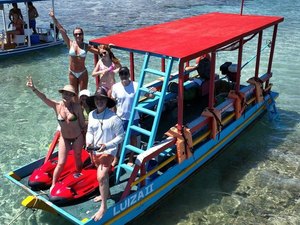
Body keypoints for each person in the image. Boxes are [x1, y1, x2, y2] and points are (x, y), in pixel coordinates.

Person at [26, 76, 86, 192]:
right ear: (62, 94)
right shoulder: (57, 106)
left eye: (69, 94)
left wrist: (87, 137)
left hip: (78, 137)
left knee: (78, 158)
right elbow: (44, 98)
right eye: (65, 93)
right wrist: (34, 88)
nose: (67, 96)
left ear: (73, 96)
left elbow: (82, 124)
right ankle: (53, 184)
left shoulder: (77, 107)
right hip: (65, 138)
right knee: (61, 162)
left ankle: (77, 178)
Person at [86, 87, 124, 221]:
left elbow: (121, 137)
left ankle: (103, 207)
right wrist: (89, 143)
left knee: (101, 176)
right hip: (95, 151)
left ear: (106, 101)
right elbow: (90, 131)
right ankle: (106, 194)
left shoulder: (114, 118)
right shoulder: (91, 115)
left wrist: (106, 146)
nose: (99, 101)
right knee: (102, 175)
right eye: (97, 99)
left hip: (108, 151)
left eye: (102, 99)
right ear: (94, 100)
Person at [111, 66, 156, 166]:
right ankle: (116, 158)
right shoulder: (115, 87)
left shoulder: (136, 85)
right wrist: (113, 116)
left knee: (133, 138)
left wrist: (152, 92)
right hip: (120, 118)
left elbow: (149, 96)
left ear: (129, 74)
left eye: (125, 73)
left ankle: (131, 158)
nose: (124, 76)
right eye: (121, 74)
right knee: (117, 139)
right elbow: (113, 102)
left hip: (133, 118)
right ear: (119, 76)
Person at [49, 9, 98, 94]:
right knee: (73, 95)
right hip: (72, 72)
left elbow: (99, 52)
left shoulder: (86, 46)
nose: (78, 35)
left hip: (83, 73)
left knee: (83, 95)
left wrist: (108, 47)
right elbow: (61, 30)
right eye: (76, 34)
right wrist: (53, 18)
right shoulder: (70, 43)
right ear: (74, 35)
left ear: (82, 35)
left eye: (79, 34)